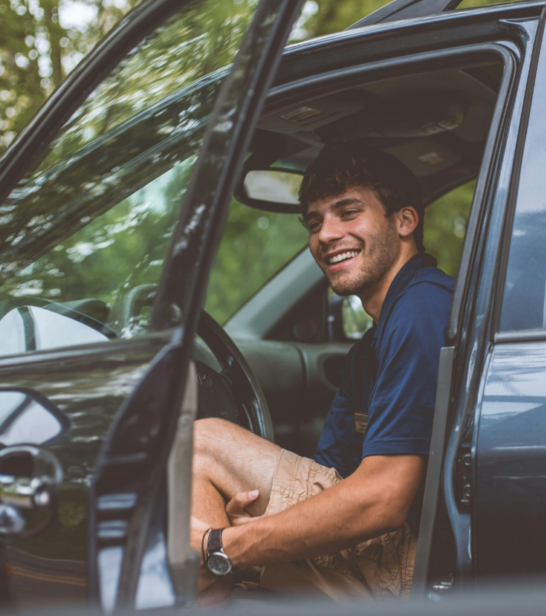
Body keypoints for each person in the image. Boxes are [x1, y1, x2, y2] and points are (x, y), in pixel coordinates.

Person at [189, 142, 454, 604]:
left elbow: (384, 498)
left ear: (404, 221)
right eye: (315, 223)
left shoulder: (423, 307)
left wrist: (226, 546)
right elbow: (333, 477)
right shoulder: (369, 348)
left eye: (347, 213)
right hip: (388, 556)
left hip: (425, 567)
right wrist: (251, 529)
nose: (326, 234)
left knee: (198, 443)